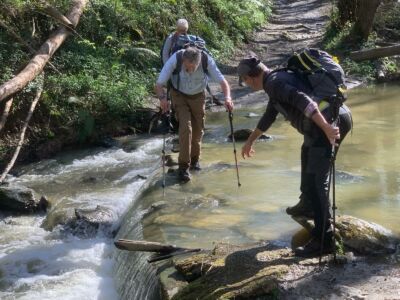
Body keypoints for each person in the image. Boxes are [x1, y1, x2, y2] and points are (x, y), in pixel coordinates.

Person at [237, 55, 352, 257]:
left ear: (251, 77)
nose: (246, 85)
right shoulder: (275, 80)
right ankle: (307, 204)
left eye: (244, 81)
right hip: (330, 119)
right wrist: (250, 140)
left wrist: (326, 129)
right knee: (306, 153)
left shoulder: (274, 83)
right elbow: (269, 116)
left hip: (327, 122)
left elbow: (305, 102)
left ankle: (325, 239)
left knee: (318, 180)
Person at [156, 46, 233, 183]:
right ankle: (183, 168)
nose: (190, 70)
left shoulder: (206, 60)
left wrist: (228, 98)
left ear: (198, 62)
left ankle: (195, 161)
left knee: (198, 131)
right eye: (187, 67)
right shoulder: (176, 59)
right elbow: (159, 83)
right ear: (183, 60)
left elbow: (223, 82)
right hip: (179, 95)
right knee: (186, 128)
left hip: (198, 96)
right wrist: (163, 99)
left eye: (194, 68)